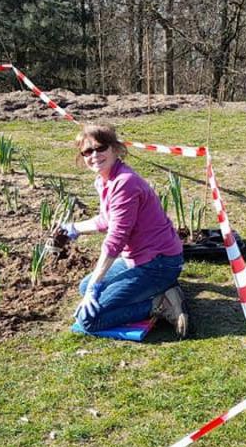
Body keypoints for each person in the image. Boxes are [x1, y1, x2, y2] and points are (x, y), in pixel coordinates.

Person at [58, 123, 189, 338]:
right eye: (87, 151)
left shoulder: (125, 183)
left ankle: (159, 304)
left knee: (90, 320)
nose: (94, 155)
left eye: (100, 148)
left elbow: (115, 240)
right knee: (84, 287)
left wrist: (96, 285)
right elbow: (106, 219)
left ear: (115, 149)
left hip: (160, 263)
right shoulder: (105, 180)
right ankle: (163, 289)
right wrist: (74, 228)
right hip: (140, 259)